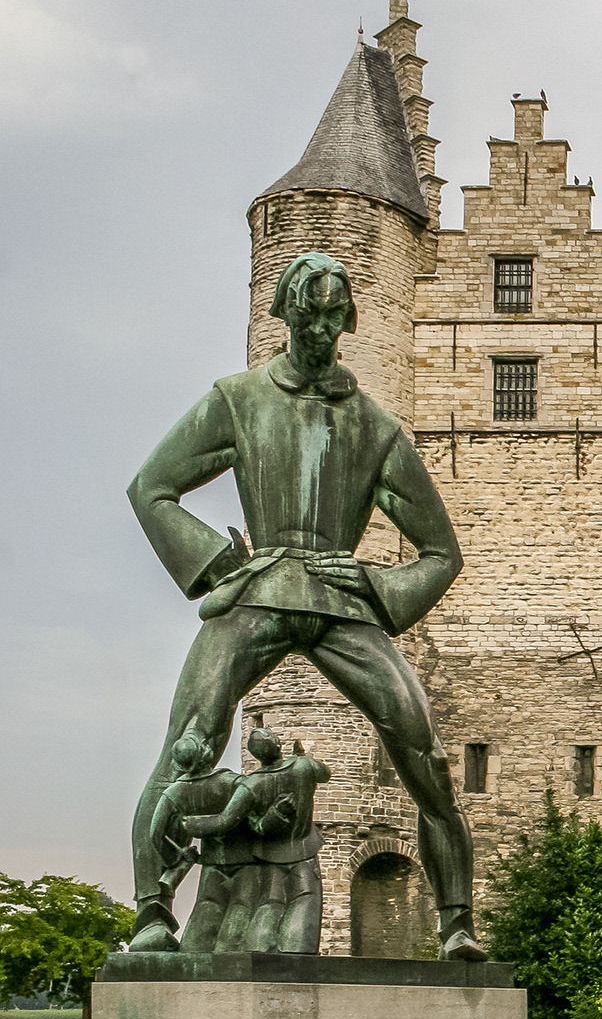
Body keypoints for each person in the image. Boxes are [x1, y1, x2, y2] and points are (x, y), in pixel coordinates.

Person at [127, 252, 484, 960]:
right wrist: (219, 563)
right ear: (285, 315)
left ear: (349, 320)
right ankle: (151, 914)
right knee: (188, 742)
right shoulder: (237, 400)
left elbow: (442, 552)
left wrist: (376, 588)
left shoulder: (377, 429)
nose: (321, 329)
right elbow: (152, 488)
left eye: (334, 315)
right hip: (258, 593)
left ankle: (457, 926)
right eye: (309, 313)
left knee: (427, 755)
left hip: (342, 603)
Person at [181, 728, 331, 954]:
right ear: (279, 744)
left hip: (268, 856)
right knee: (305, 898)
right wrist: (301, 758)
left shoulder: (251, 784)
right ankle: (298, 952)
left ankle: (258, 949)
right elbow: (325, 774)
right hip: (304, 850)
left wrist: (190, 825)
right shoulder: (303, 767)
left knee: (270, 903)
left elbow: (227, 821)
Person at [146, 728, 257, 952]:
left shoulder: (174, 792)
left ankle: (196, 958)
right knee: (241, 909)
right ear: (205, 753)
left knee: (206, 910)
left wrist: (176, 856)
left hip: (211, 863)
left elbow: (155, 834)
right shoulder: (232, 781)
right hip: (245, 860)